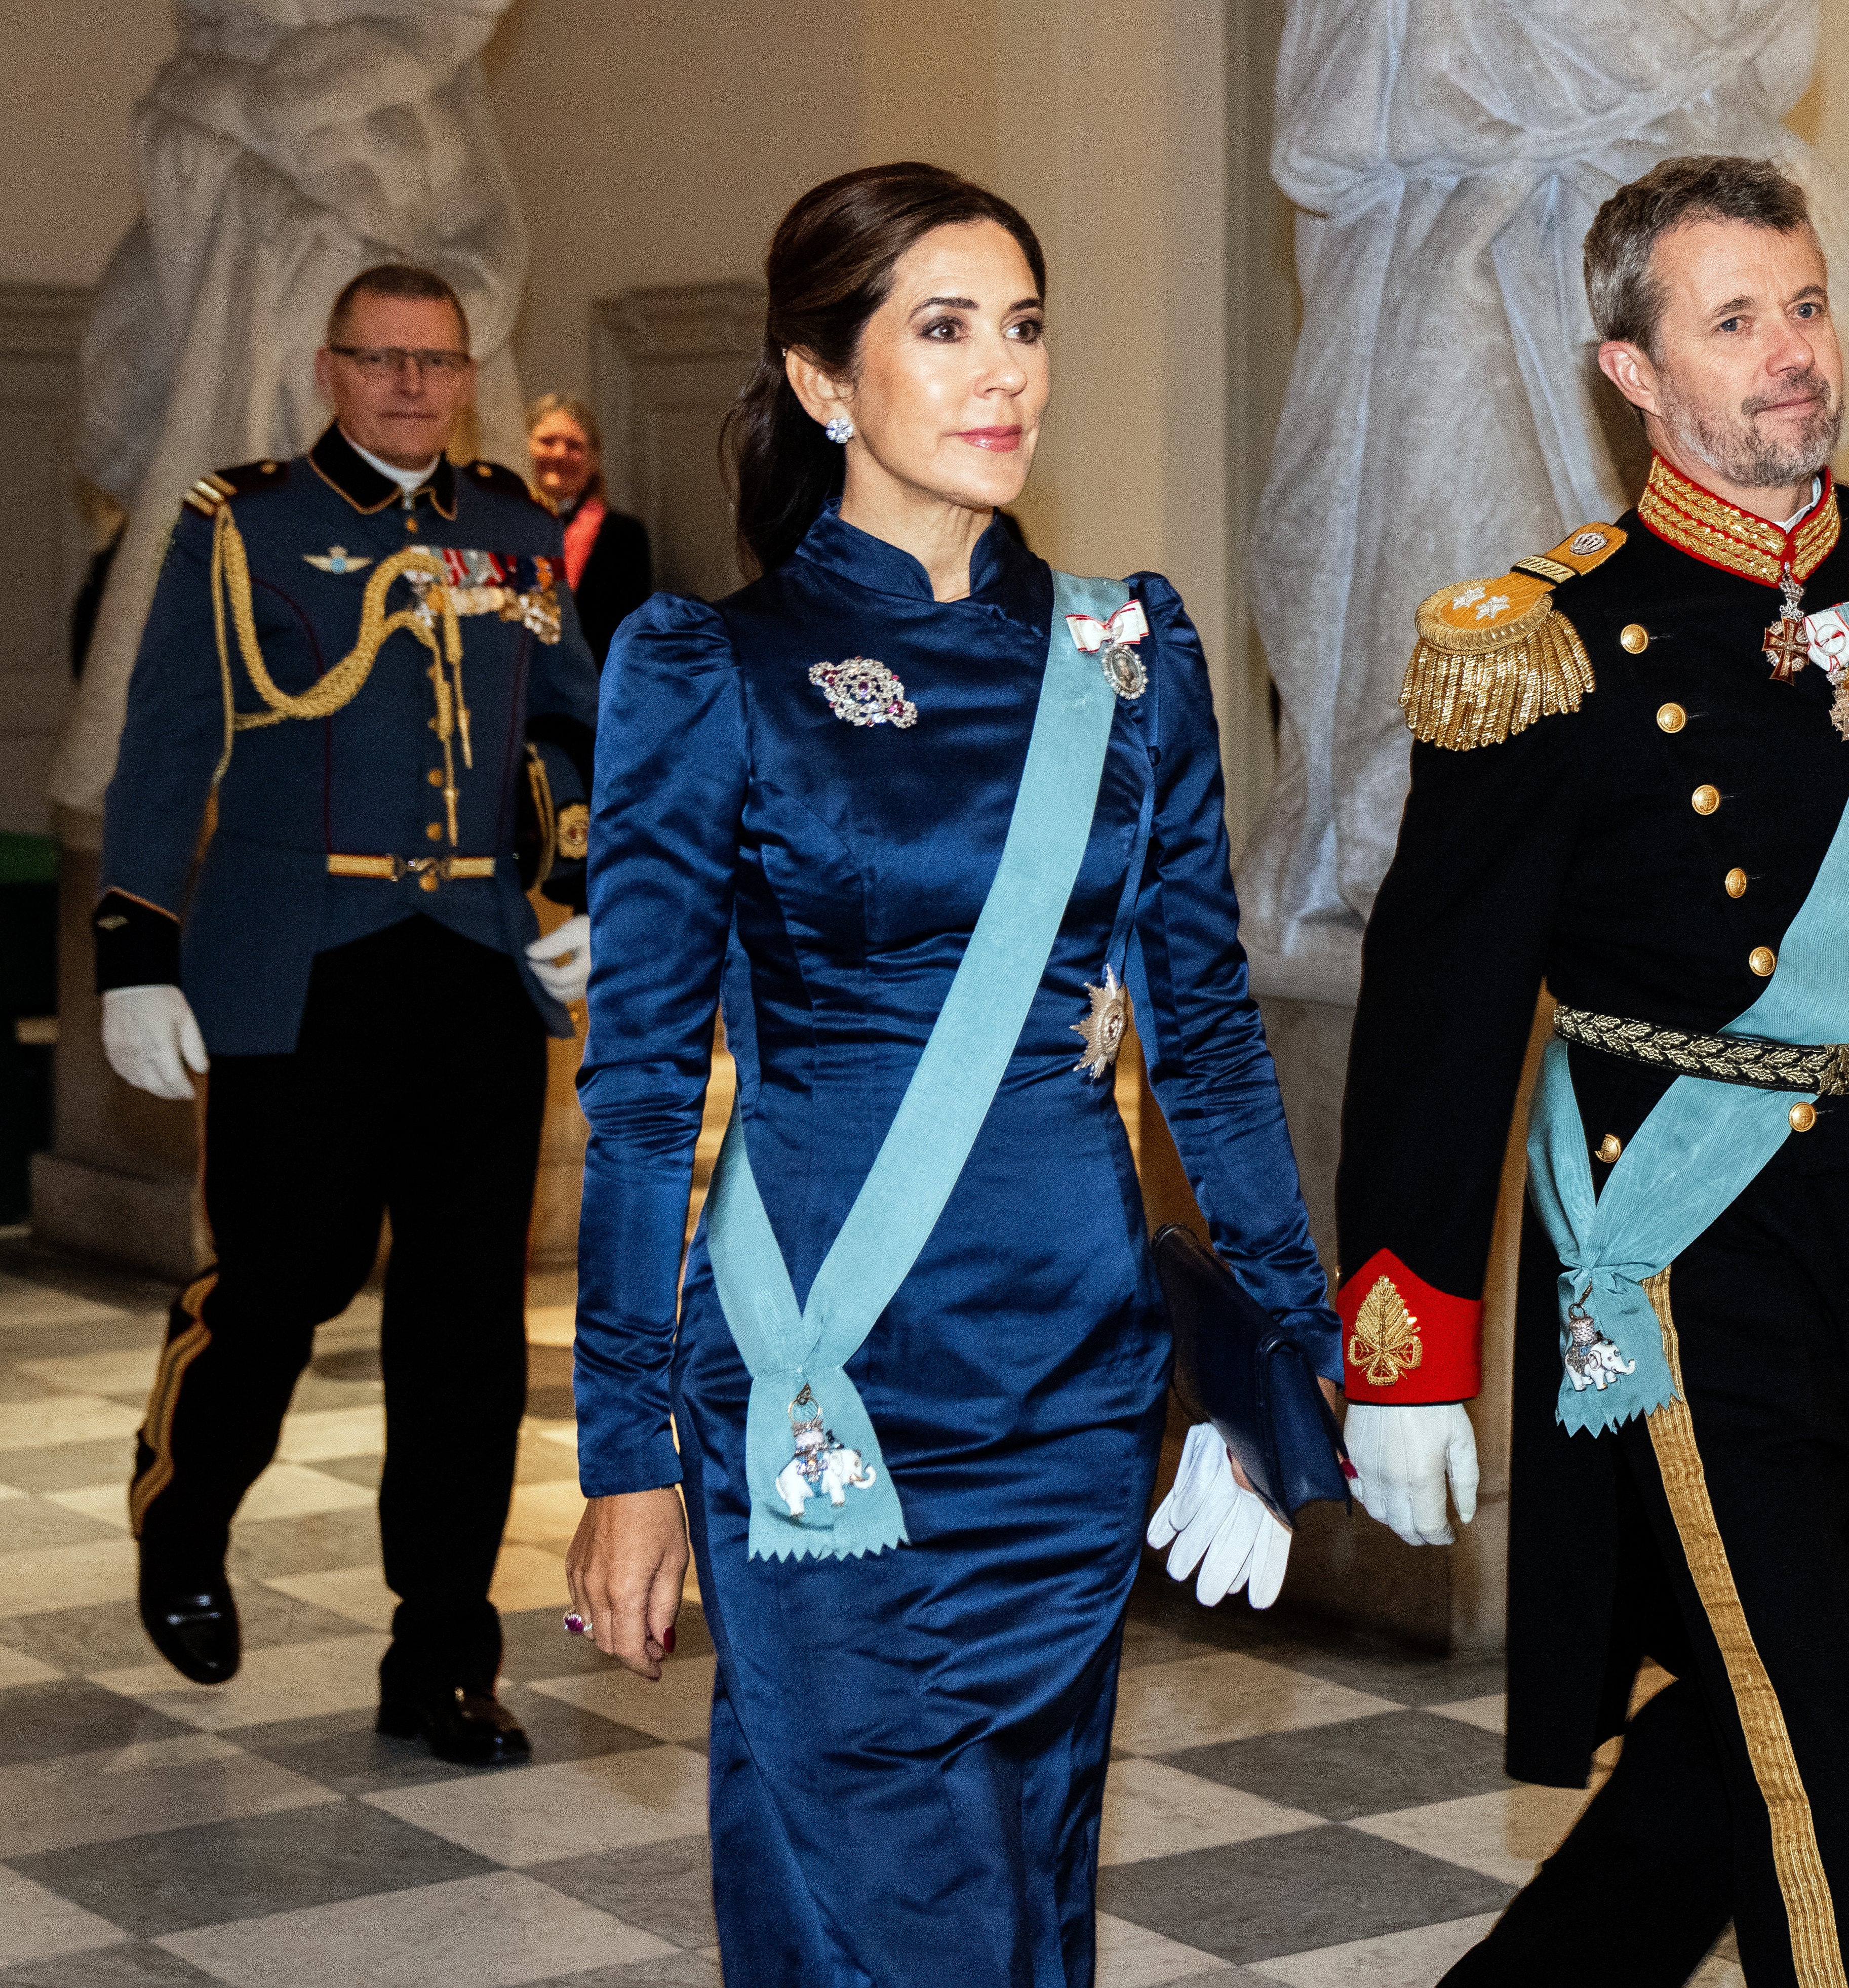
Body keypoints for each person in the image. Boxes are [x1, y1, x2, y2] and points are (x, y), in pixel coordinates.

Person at [1334, 155, 1849, 1986]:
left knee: (1751, 1724)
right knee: (1808, 1765)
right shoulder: (1553, 640)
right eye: (1731, 322)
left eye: (1802, 306)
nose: (1792, 354)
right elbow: (1438, 1005)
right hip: (1673, 1234)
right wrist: (1401, 1332)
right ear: (1630, 373)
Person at [560, 163, 1342, 1985]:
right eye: (943, 326)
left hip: (1071, 1396)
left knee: (1011, 1892)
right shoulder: (708, 666)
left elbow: (1210, 1035)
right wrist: (623, 1453)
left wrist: (1271, 1363)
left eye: (1025, 323)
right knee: (931, 1924)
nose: (1006, 373)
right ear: (825, 380)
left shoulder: (1126, 661)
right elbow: (644, 1093)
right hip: (824, 1388)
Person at [95, 262, 598, 1763]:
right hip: (299, 958)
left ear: (466, 374)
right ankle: (182, 1506)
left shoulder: (514, 534)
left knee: (465, 1325)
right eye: (380, 360)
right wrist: (135, 948)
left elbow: (570, 718)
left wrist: (575, 883)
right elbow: (168, 736)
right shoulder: (241, 525)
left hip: (473, 965)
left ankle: (440, 1651)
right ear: (330, 370)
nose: (408, 387)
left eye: (434, 363)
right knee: (281, 1283)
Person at [526, 392, 654, 662]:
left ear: (594, 460)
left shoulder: (624, 537)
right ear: (527, 447)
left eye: (574, 446)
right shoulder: (503, 525)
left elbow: (628, 637)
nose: (560, 454)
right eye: (547, 442)